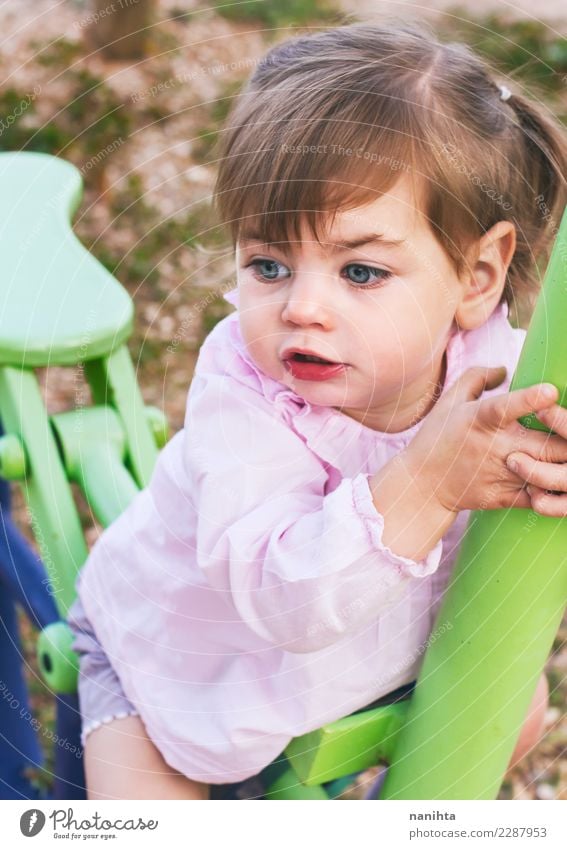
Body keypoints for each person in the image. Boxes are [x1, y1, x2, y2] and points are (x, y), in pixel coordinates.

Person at [67, 19, 567, 800]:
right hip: (186, 664)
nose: (302, 308)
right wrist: (427, 482)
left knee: (517, 709)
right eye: (268, 263)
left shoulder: (502, 368)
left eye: (360, 272)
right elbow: (283, 600)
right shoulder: (245, 390)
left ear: (475, 276)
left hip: (368, 650)